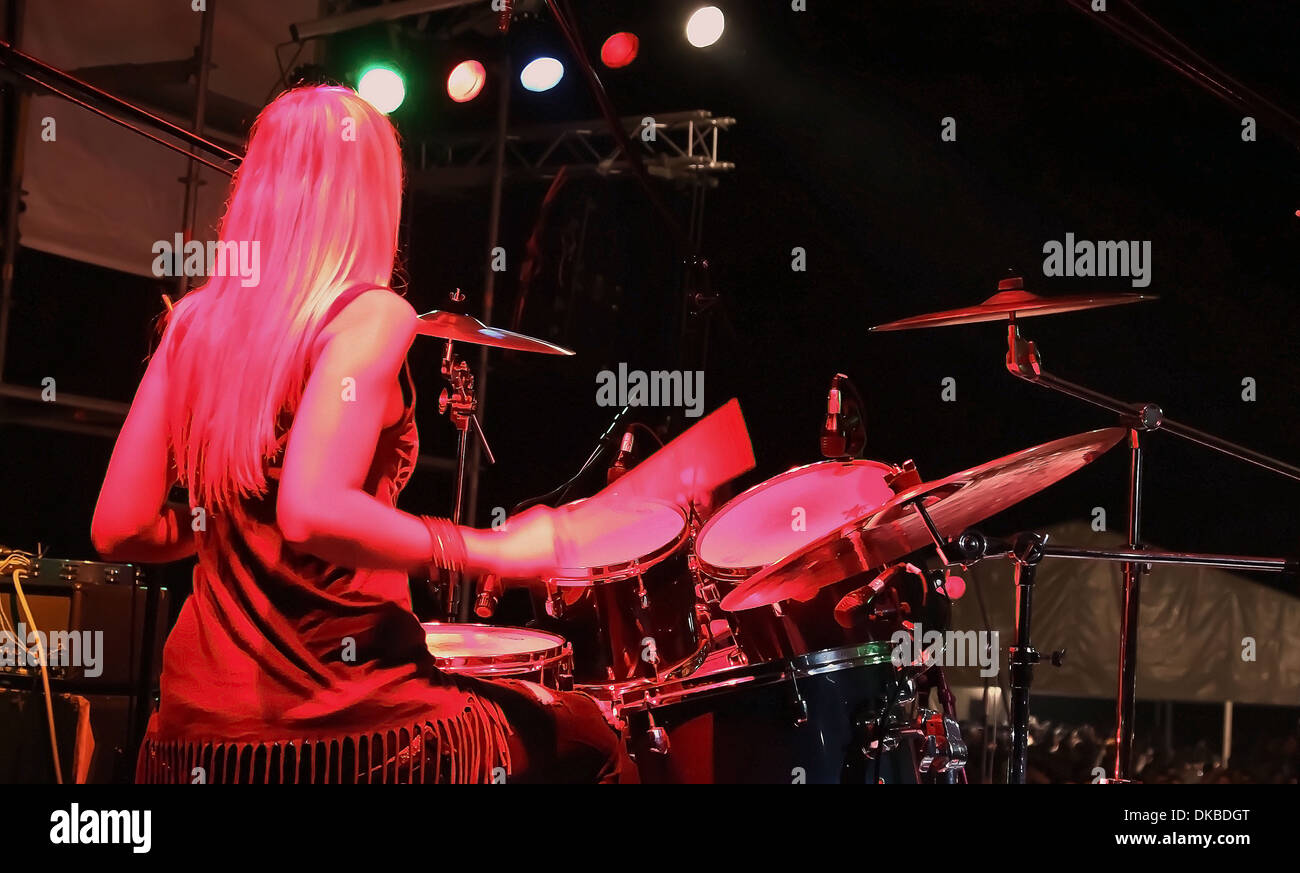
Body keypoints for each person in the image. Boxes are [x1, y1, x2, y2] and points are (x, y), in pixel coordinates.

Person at [90, 85, 635, 783]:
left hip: (191, 742)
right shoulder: (371, 315)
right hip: (347, 734)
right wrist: (489, 546)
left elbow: (120, 527)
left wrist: (235, 519)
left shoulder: (192, 326)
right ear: (372, 195)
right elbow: (312, 511)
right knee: (592, 733)